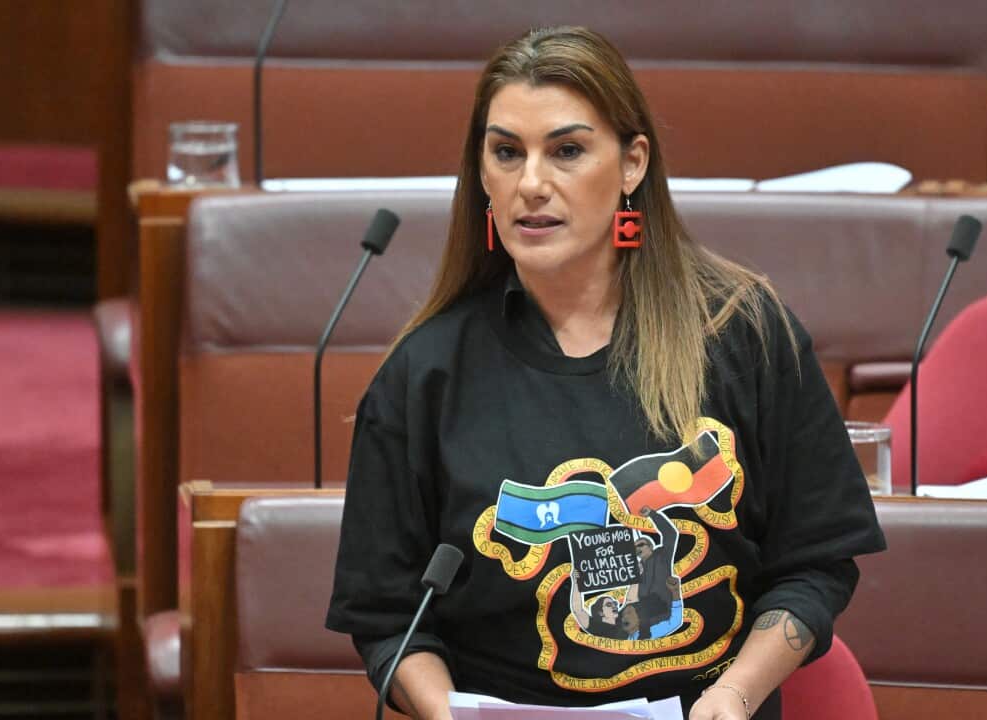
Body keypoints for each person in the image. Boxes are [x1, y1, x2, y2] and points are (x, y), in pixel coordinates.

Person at [326, 25, 885, 720]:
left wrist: (734, 695)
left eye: (566, 151)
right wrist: (448, 714)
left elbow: (817, 562)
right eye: (507, 152)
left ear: (631, 164)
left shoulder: (744, 333)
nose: (532, 184)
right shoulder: (424, 374)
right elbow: (387, 614)